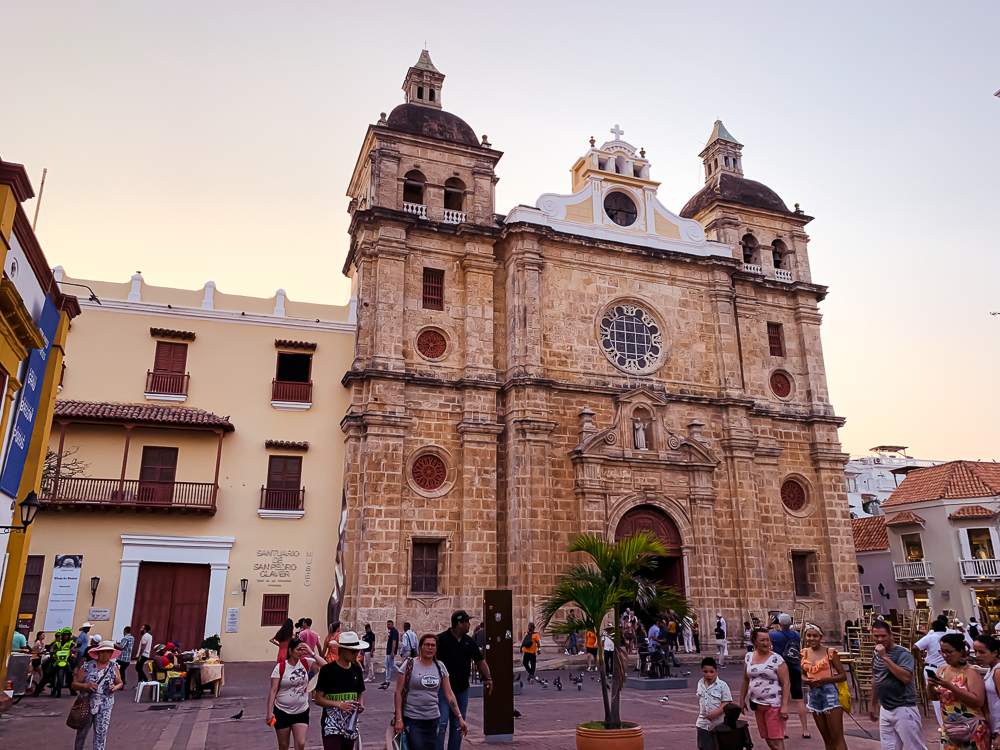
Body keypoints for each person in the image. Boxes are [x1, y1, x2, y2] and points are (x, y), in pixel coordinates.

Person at [393, 634, 467, 750]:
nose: (430, 648)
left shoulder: (440, 667)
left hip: (433, 719)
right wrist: (399, 719)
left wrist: (459, 717)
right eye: (427, 645)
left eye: (433, 645)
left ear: (436, 648)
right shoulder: (409, 665)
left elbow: (449, 694)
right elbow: (398, 693)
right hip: (413, 719)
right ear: (420, 647)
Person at [436, 610, 492, 750]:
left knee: (458, 725)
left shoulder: (470, 642)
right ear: (459, 623)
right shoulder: (441, 639)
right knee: (441, 723)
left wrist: (488, 678)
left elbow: (480, 661)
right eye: (467, 622)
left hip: (462, 691)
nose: (469, 624)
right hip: (443, 691)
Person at [868, 619, 926, 750]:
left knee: (914, 747)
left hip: (904, 707)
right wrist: (873, 704)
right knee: (889, 747)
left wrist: (885, 658)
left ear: (891, 635)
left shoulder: (903, 653)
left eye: (883, 636)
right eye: (876, 636)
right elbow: (876, 678)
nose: (880, 639)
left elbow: (906, 677)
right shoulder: (876, 654)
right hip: (885, 708)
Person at [927, 633, 988, 750]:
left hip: (971, 729)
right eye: (942, 652)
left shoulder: (970, 672)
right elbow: (934, 697)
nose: (945, 655)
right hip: (950, 731)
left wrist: (951, 687)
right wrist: (930, 685)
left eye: (949, 652)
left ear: (961, 651)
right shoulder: (941, 670)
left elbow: (978, 701)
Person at [314, 631, 368, 750]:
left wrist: (360, 705)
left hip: (351, 723)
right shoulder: (327, 670)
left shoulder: (356, 670)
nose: (357, 654)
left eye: (358, 651)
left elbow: (359, 693)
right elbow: (318, 699)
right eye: (353, 651)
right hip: (331, 725)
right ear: (343, 650)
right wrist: (339, 705)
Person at [740, 627, 790, 750]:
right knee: (768, 739)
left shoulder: (777, 659)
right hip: (757, 704)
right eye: (762, 640)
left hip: (773, 704)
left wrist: (784, 706)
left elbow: (786, 683)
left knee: (776, 741)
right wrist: (742, 700)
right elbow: (745, 679)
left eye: (767, 640)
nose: (766, 643)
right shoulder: (749, 657)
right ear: (754, 641)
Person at [800, 623, 848, 750]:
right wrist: (806, 680)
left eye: (815, 636)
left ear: (821, 637)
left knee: (837, 737)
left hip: (829, 694)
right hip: (814, 695)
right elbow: (803, 674)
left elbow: (843, 675)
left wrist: (824, 680)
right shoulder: (804, 653)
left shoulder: (830, 652)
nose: (811, 639)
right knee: (826, 738)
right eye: (809, 635)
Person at [70, 640, 123, 750]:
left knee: (101, 732)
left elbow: (120, 682)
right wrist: (86, 685)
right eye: (103, 652)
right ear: (98, 653)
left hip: (105, 704)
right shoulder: (87, 666)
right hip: (87, 704)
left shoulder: (113, 667)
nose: (106, 655)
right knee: (82, 732)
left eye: (108, 652)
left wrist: (115, 687)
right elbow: (74, 684)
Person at [267, 637, 315, 750]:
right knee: (284, 745)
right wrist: (269, 712)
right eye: (298, 649)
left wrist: (312, 652)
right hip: (282, 711)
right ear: (290, 650)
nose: (301, 652)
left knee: (301, 744)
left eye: (303, 649)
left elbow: (326, 667)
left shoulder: (306, 662)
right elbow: (273, 690)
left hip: (301, 710)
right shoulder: (280, 667)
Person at [770, 613, 809, 739]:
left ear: (779, 623)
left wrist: (768, 625)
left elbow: (760, 635)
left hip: (782, 668)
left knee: (783, 699)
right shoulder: (796, 635)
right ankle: (805, 730)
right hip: (795, 667)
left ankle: (784, 730)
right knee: (799, 699)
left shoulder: (775, 635)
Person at [915, 619, 949, 723]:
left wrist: (920, 662)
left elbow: (915, 647)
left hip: (933, 668)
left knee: (936, 698)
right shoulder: (950, 635)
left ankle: (942, 723)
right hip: (947, 668)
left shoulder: (930, 637)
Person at [696, 656, 734, 750]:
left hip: (718, 723)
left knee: (718, 746)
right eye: (705, 672)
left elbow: (727, 702)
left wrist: (716, 713)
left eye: (711, 672)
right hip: (702, 724)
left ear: (716, 672)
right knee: (703, 747)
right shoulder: (700, 683)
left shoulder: (722, 685)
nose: (708, 675)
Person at [972, 635, 1000, 748]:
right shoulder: (991, 669)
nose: (977, 655)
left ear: (994, 652)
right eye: (975, 651)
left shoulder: (998, 671)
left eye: (982, 652)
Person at [380, 620, 400, 689]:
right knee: (387, 666)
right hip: (388, 652)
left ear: (392, 624)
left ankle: (402, 673)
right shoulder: (391, 631)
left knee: (392, 665)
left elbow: (394, 642)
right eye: (387, 624)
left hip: (391, 652)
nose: (388, 626)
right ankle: (387, 680)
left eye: (389, 624)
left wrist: (392, 652)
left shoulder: (394, 631)